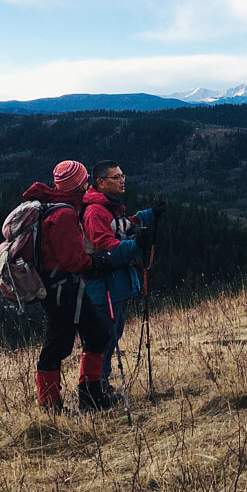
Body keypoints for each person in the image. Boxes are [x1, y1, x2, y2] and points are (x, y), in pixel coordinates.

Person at [22, 160, 115, 412]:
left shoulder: (53, 205)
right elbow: (71, 260)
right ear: (78, 184)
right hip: (63, 289)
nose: (88, 184)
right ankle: (53, 407)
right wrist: (96, 262)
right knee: (57, 347)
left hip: (63, 287)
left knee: (97, 335)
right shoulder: (64, 214)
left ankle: (90, 398)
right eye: (85, 180)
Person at [82, 160, 164, 400]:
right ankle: (94, 391)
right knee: (103, 341)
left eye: (122, 175)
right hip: (104, 287)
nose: (122, 180)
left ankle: (100, 387)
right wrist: (136, 245)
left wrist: (148, 216)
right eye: (116, 177)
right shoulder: (95, 211)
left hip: (116, 286)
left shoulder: (108, 207)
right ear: (101, 182)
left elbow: (123, 225)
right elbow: (105, 248)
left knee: (111, 336)